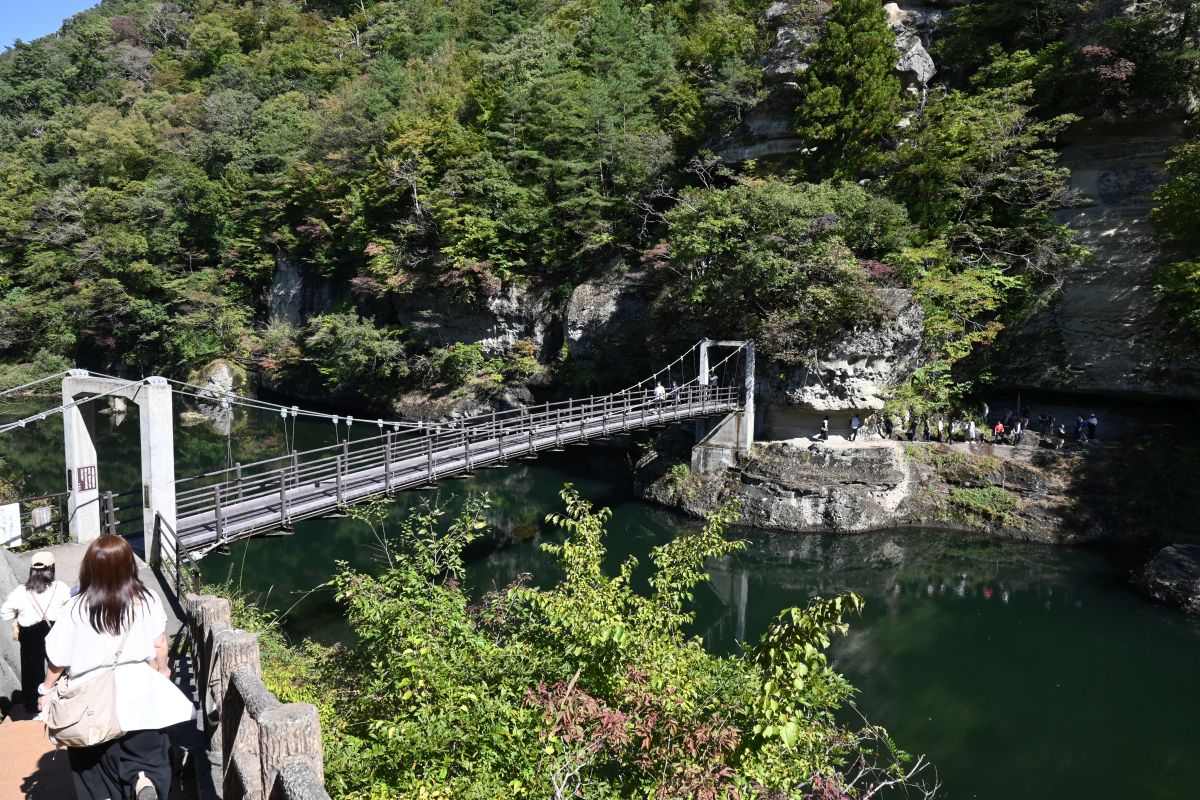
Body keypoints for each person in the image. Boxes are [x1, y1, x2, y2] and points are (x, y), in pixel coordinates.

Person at [39, 535, 193, 800]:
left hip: (91, 699)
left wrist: (46, 689)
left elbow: (58, 659)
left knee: (93, 766)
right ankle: (143, 778)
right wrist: (163, 670)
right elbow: (159, 644)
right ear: (129, 565)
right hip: (141, 690)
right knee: (149, 751)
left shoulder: (75, 607)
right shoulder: (147, 599)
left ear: (90, 567)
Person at [2, 551, 70, 712]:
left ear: (32, 570)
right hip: (54, 630)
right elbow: (70, 609)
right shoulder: (60, 588)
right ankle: (58, 700)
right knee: (58, 665)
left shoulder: (21, 591)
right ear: (52, 568)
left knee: (31, 670)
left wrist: (17, 615)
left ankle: (32, 705)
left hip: (29, 633)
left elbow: (4, 612)